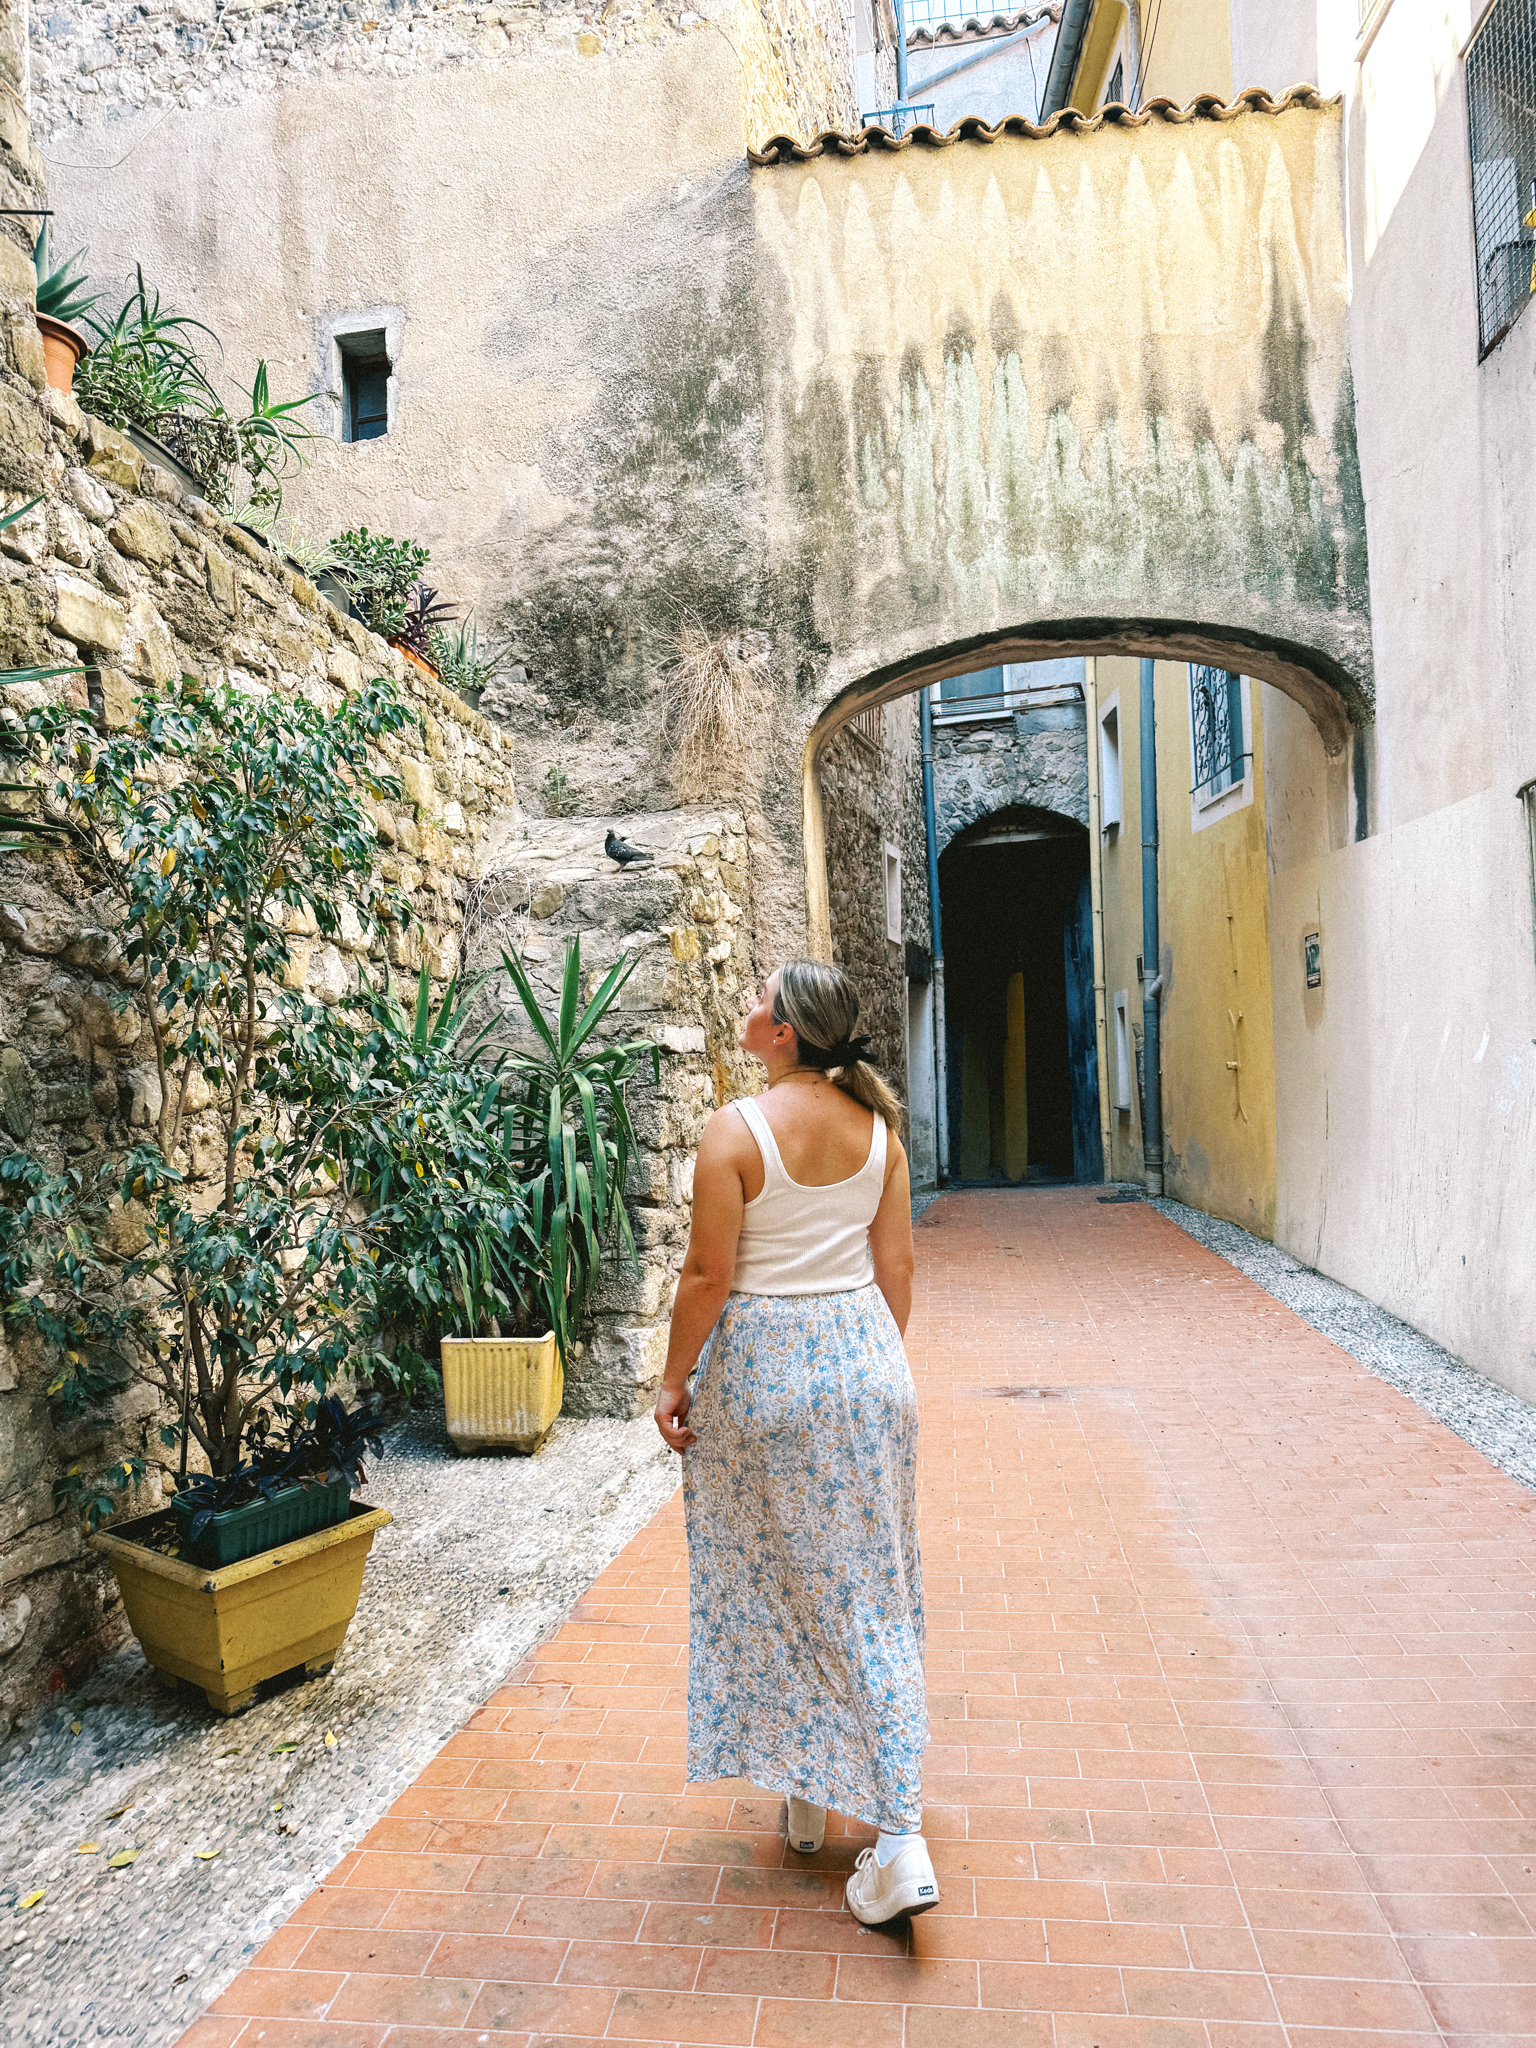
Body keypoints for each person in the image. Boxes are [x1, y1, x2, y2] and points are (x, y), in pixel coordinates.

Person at [653, 959, 937, 1925]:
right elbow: (895, 1267)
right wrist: (863, 1369)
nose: (746, 1006)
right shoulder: (881, 1134)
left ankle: (898, 1837)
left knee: (777, 1583)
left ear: (784, 1034)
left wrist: (673, 1376)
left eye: (759, 999)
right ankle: (817, 1802)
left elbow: (705, 1274)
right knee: (871, 1590)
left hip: (766, 1378)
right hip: (868, 1367)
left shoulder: (734, 1133)